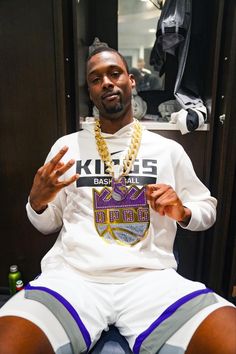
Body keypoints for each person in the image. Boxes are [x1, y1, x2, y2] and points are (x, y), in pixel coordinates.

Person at [0, 43, 235, 354]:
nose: (106, 83)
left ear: (131, 81)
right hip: (74, 277)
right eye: (96, 79)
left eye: (114, 73)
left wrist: (183, 211)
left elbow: (207, 210)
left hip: (151, 279)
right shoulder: (67, 147)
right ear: (91, 92)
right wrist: (37, 201)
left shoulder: (167, 150)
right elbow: (46, 224)